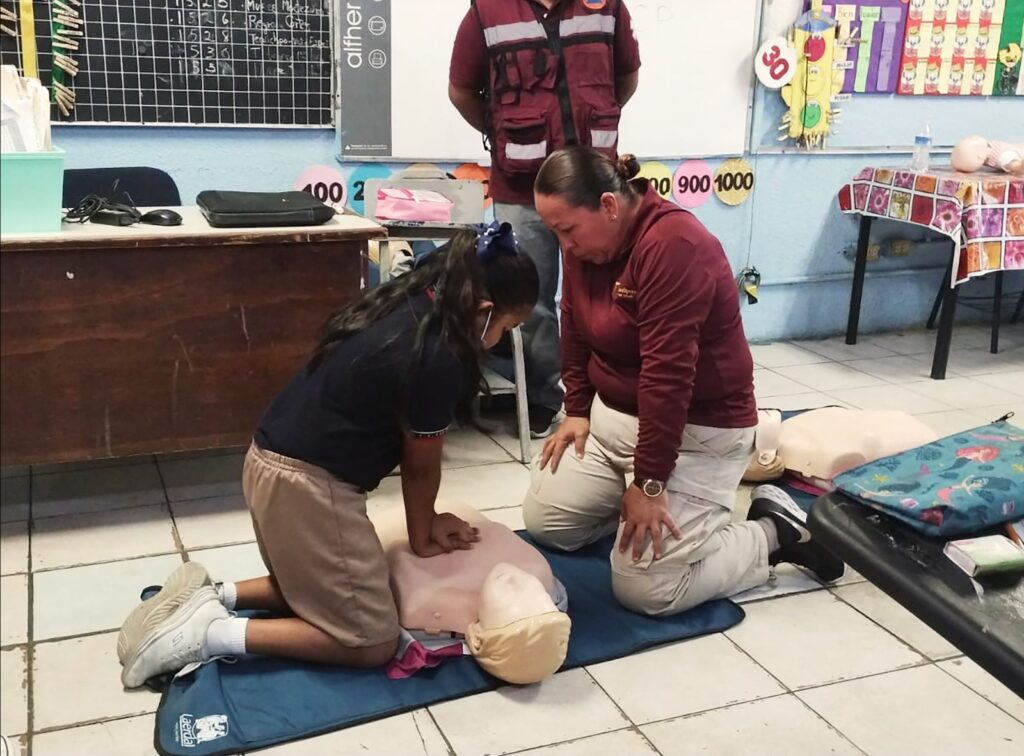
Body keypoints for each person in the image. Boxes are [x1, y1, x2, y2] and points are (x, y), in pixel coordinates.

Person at [116, 223, 540, 687]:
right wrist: (424, 533)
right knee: (369, 638)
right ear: (483, 310)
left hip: (268, 463)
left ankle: (213, 594)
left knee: (323, 592)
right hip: (307, 488)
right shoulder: (437, 353)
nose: (501, 339)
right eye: (506, 327)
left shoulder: (410, 299)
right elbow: (421, 469)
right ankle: (211, 633)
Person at [523, 146, 843, 617]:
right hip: (615, 422)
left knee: (647, 591)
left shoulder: (674, 246)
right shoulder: (586, 247)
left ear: (609, 206)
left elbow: (667, 379)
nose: (563, 245)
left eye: (567, 230)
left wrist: (650, 483)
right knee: (549, 523)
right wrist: (576, 409)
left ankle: (773, 533)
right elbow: (572, 324)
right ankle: (655, 513)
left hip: (698, 433)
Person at [448, 0, 641, 437]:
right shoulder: (487, 10)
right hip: (521, 186)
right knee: (530, 300)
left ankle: (607, 398)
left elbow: (624, 80)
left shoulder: (607, 6)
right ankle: (541, 399)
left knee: (605, 295)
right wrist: (503, 131)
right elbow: (461, 90)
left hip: (592, 184)